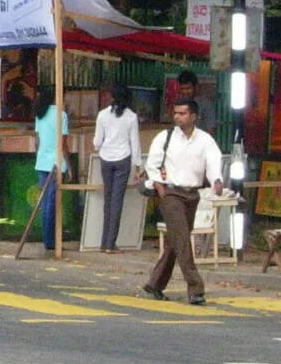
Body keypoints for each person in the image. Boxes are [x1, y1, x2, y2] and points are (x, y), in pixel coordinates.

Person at [142, 96, 225, 305]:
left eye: (182, 113)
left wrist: (216, 181)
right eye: (176, 113)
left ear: (193, 116)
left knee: (175, 241)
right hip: (171, 193)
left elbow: (214, 161)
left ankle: (155, 284)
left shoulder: (205, 140)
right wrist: (160, 187)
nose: (177, 117)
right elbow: (152, 163)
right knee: (183, 241)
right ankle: (195, 287)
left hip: (192, 194)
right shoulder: (165, 136)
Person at [92, 85, 142, 252]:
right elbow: (135, 143)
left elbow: (97, 142)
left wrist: (102, 147)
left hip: (105, 159)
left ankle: (103, 243)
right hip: (123, 160)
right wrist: (137, 166)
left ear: (112, 97)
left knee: (108, 200)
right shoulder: (131, 117)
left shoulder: (102, 115)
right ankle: (110, 244)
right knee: (117, 201)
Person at [33, 93, 69, 249]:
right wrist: (70, 165)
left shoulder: (40, 115)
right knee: (52, 203)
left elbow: (37, 142)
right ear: (58, 97)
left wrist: (40, 157)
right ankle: (50, 241)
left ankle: (47, 238)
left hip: (42, 163)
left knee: (45, 201)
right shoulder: (62, 115)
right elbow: (63, 145)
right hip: (56, 164)